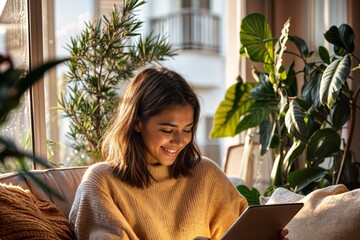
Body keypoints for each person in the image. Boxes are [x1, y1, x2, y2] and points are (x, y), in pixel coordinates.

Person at [69, 66, 288, 240]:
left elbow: (241, 229)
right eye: (167, 130)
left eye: (188, 129)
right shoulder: (102, 182)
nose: (180, 140)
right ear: (137, 123)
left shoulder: (206, 173)